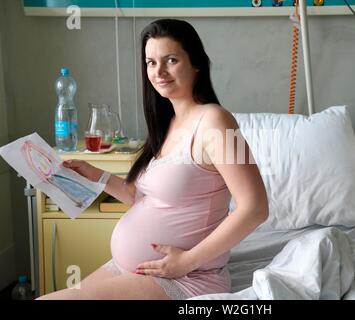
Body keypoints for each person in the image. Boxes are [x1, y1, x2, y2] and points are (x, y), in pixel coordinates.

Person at [37, 18, 268, 300]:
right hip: (134, 269)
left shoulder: (218, 121)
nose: (159, 72)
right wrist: (94, 173)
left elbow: (255, 208)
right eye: (150, 62)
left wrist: (188, 261)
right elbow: (143, 197)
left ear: (195, 63)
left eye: (170, 60)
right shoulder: (167, 124)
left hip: (186, 278)